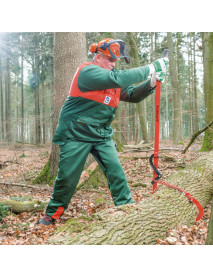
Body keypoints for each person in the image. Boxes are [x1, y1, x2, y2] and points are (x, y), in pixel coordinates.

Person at [37, 38, 168, 225]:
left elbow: (131, 94)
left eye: (115, 62)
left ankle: (126, 209)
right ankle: (51, 215)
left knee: (116, 173)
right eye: (109, 60)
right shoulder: (87, 71)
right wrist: (151, 67)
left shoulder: (112, 77)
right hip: (75, 133)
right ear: (97, 57)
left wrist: (151, 83)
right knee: (67, 178)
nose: (112, 65)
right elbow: (118, 79)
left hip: (101, 134)